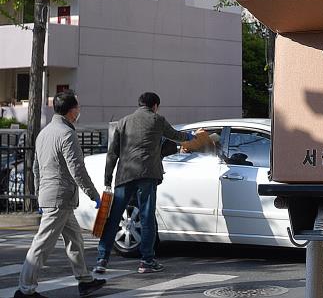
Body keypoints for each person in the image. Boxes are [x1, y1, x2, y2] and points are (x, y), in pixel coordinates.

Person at [15, 90, 106, 298]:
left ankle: (85, 281)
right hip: (60, 198)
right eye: (78, 108)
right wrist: (94, 195)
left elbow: (36, 168)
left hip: (52, 197)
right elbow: (77, 169)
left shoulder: (44, 133)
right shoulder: (67, 134)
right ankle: (25, 290)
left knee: (75, 240)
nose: (79, 111)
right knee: (42, 244)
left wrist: (39, 194)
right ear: (71, 111)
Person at [94, 92, 195, 275]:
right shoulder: (157, 120)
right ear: (155, 105)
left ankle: (102, 259)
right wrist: (190, 136)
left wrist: (107, 179)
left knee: (114, 216)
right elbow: (175, 136)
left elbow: (112, 153)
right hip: (148, 175)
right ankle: (146, 261)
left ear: (140, 104)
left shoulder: (123, 122)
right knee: (147, 218)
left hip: (125, 175)